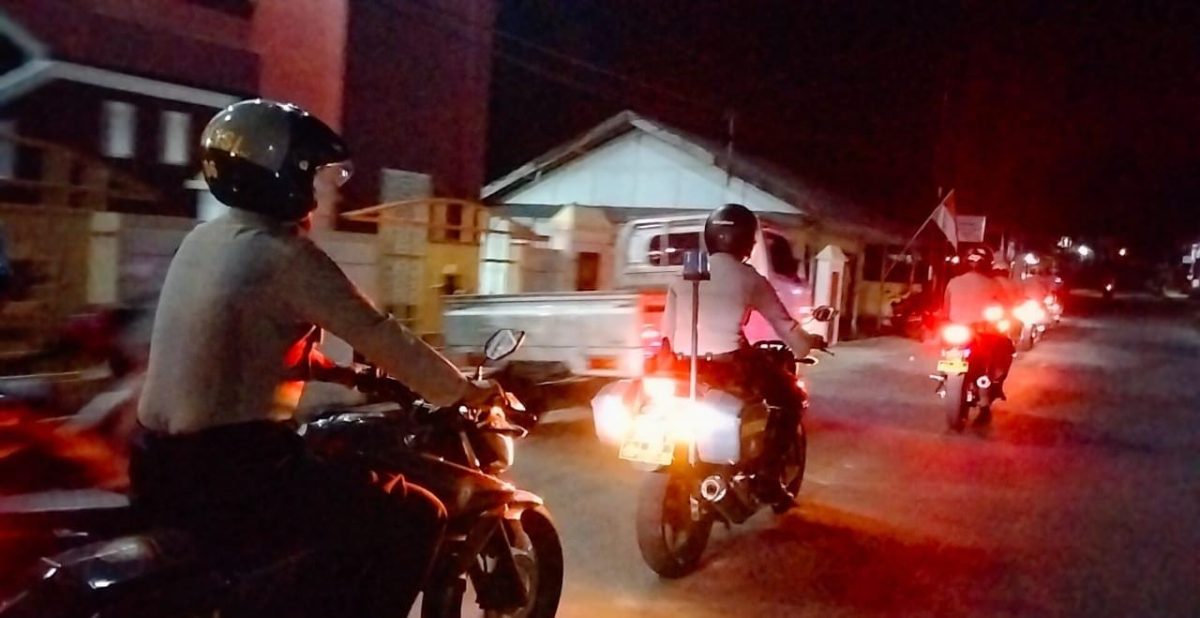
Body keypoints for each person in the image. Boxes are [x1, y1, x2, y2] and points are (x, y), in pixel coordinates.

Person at [131, 99, 499, 616]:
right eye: (316, 175)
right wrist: (465, 391)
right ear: (281, 177)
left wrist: (346, 374)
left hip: (155, 461)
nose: (327, 191)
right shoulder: (287, 257)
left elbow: (247, 346)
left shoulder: (204, 240)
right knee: (416, 514)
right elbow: (380, 333)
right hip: (235, 470)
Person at [659, 203, 824, 506]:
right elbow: (786, 328)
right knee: (790, 397)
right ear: (747, 240)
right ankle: (767, 479)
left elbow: (666, 332)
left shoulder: (684, 274)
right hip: (727, 368)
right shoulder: (750, 278)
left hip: (681, 366)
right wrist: (807, 343)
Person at [943, 245, 1014, 401]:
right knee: (1006, 347)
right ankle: (995, 384)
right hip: (982, 331)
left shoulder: (953, 282)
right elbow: (1007, 307)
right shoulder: (994, 284)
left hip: (957, 330)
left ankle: (947, 375)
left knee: (947, 348)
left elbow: (946, 310)